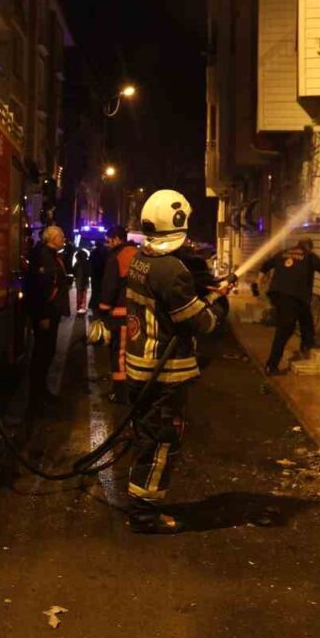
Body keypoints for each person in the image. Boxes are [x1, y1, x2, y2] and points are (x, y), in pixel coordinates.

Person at [121, 190, 231, 534]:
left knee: (146, 439)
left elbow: (167, 300)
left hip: (140, 367)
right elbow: (203, 323)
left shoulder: (142, 260)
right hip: (164, 374)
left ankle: (140, 501)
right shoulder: (171, 271)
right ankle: (144, 514)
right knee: (162, 442)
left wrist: (205, 289)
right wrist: (218, 300)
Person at [260, 238, 320, 375]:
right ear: (309, 247)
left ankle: (307, 344)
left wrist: (261, 278)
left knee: (305, 317)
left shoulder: (283, 253)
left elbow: (266, 265)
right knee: (285, 330)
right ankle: (271, 365)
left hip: (279, 295)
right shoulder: (309, 255)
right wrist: (319, 262)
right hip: (293, 296)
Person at [25, 225, 70, 400]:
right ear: (52, 238)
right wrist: (43, 314)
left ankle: (40, 390)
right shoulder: (44, 256)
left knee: (47, 351)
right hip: (47, 312)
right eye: (61, 236)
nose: (64, 239)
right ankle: (37, 393)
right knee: (43, 352)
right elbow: (41, 287)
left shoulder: (49, 255)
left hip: (51, 312)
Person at [95, 226, 139, 403]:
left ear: (117, 239)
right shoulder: (138, 254)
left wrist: (103, 309)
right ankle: (133, 390)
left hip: (120, 315)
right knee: (133, 354)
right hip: (138, 314)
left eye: (109, 239)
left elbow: (109, 287)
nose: (108, 243)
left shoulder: (117, 257)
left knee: (119, 355)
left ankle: (121, 393)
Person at [73, 240, 92, 315]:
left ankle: (78, 307)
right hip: (85, 281)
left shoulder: (77, 263)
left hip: (78, 281)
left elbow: (73, 271)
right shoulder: (87, 263)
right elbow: (89, 272)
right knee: (84, 294)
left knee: (79, 294)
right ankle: (82, 308)